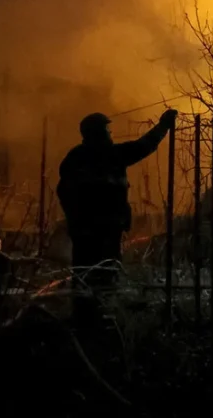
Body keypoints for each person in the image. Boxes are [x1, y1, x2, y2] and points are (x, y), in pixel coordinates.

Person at [56, 108, 177, 325]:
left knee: (85, 273)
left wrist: (75, 222)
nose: (111, 135)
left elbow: (64, 193)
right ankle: (99, 317)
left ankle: (85, 317)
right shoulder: (110, 156)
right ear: (98, 133)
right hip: (103, 229)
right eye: (107, 131)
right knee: (105, 272)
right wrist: (163, 126)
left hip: (87, 230)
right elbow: (143, 146)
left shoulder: (74, 158)